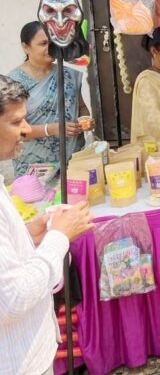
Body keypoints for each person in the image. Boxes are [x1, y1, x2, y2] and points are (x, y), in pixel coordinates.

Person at [0, 74, 94, 375]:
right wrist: (58, 238)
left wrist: (30, 234)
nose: (27, 131)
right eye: (16, 123)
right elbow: (13, 298)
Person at [9, 22, 93, 178]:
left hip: (73, 160)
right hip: (35, 167)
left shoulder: (68, 74)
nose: (50, 48)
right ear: (26, 47)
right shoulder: (13, 83)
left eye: (53, 43)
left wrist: (85, 121)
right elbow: (15, 130)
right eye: (43, 43)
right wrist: (52, 129)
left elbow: (81, 107)